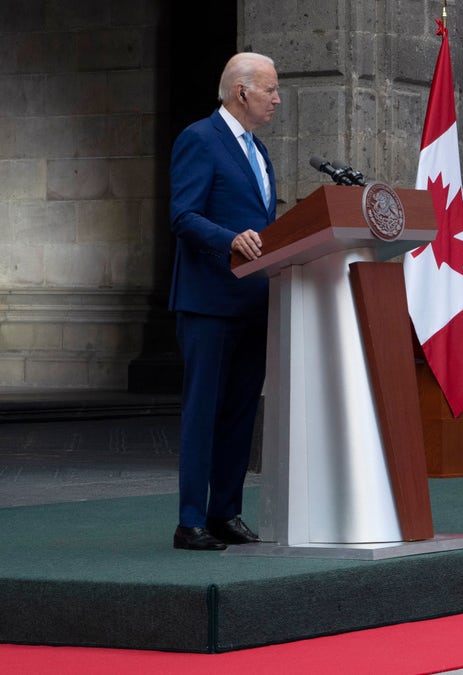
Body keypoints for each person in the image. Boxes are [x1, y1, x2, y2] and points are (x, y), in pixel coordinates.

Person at [168, 52, 279, 549]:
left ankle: (225, 513)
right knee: (203, 411)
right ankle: (190, 520)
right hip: (208, 303)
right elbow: (183, 216)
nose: (278, 99)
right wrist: (231, 239)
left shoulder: (261, 153)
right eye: (271, 90)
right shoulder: (199, 139)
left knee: (238, 412)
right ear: (242, 92)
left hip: (254, 303)